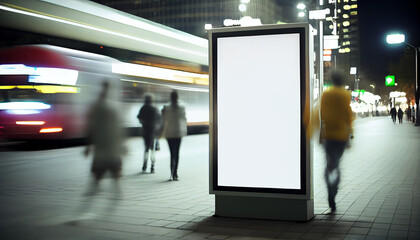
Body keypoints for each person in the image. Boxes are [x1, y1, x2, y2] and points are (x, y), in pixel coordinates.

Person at [319, 70, 353, 213]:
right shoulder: (346, 94)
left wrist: (321, 135)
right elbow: (348, 115)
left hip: (328, 135)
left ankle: (329, 188)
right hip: (341, 135)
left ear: (332, 80)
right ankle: (334, 190)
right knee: (337, 163)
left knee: (329, 163)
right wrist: (350, 134)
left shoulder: (326, 94)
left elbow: (322, 115)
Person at [84, 81, 125, 196]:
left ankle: (97, 187)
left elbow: (91, 127)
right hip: (109, 142)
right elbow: (118, 127)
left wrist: (88, 145)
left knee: (100, 165)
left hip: (103, 142)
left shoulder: (98, 106)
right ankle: (116, 190)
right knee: (111, 165)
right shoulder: (112, 106)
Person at [161, 90, 187, 181]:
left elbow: (163, 120)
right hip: (178, 132)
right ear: (177, 97)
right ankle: (175, 173)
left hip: (169, 133)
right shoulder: (182, 107)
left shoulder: (165, 107)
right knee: (177, 153)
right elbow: (184, 119)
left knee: (172, 153)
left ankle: (172, 173)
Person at [137, 95, 161, 173]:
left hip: (145, 130)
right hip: (153, 131)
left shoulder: (143, 108)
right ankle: (152, 167)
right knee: (152, 149)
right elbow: (160, 120)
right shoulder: (155, 108)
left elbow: (139, 118)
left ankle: (144, 166)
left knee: (146, 149)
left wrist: (143, 123)